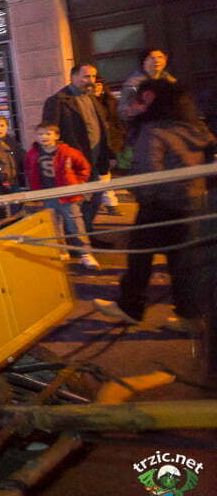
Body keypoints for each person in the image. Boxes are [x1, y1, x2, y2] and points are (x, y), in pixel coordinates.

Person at [94, 80, 216, 328]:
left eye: (139, 100)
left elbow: (147, 174)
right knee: (181, 262)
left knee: (139, 258)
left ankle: (130, 307)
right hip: (191, 203)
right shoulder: (195, 127)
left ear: (150, 100)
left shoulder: (153, 131)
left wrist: (140, 195)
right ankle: (189, 315)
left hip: (159, 205)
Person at [42, 63, 113, 231]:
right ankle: (78, 239)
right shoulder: (57, 101)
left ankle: (87, 234)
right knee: (75, 205)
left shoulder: (92, 98)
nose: (91, 80)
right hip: (73, 163)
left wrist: (108, 153)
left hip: (94, 160)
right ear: (73, 77)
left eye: (93, 76)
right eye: (86, 76)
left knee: (94, 199)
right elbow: (49, 133)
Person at [24, 122, 100, 270]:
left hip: (68, 196)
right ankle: (61, 251)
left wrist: (77, 183)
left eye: (48, 133)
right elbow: (29, 170)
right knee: (54, 225)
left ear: (57, 136)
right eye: (40, 134)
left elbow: (84, 168)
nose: (44, 137)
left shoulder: (68, 152)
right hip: (47, 195)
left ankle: (85, 253)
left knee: (75, 225)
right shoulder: (32, 154)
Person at [93, 76, 126, 213]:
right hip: (94, 143)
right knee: (101, 175)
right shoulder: (85, 102)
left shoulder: (110, 102)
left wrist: (119, 141)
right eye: (94, 85)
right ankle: (107, 203)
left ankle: (108, 203)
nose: (96, 87)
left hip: (109, 142)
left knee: (104, 174)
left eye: (99, 85)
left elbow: (117, 122)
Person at [119, 48, 175, 122]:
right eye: (152, 58)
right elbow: (124, 112)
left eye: (160, 57)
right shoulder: (133, 84)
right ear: (144, 62)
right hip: (146, 123)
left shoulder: (169, 79)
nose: (157, 60)